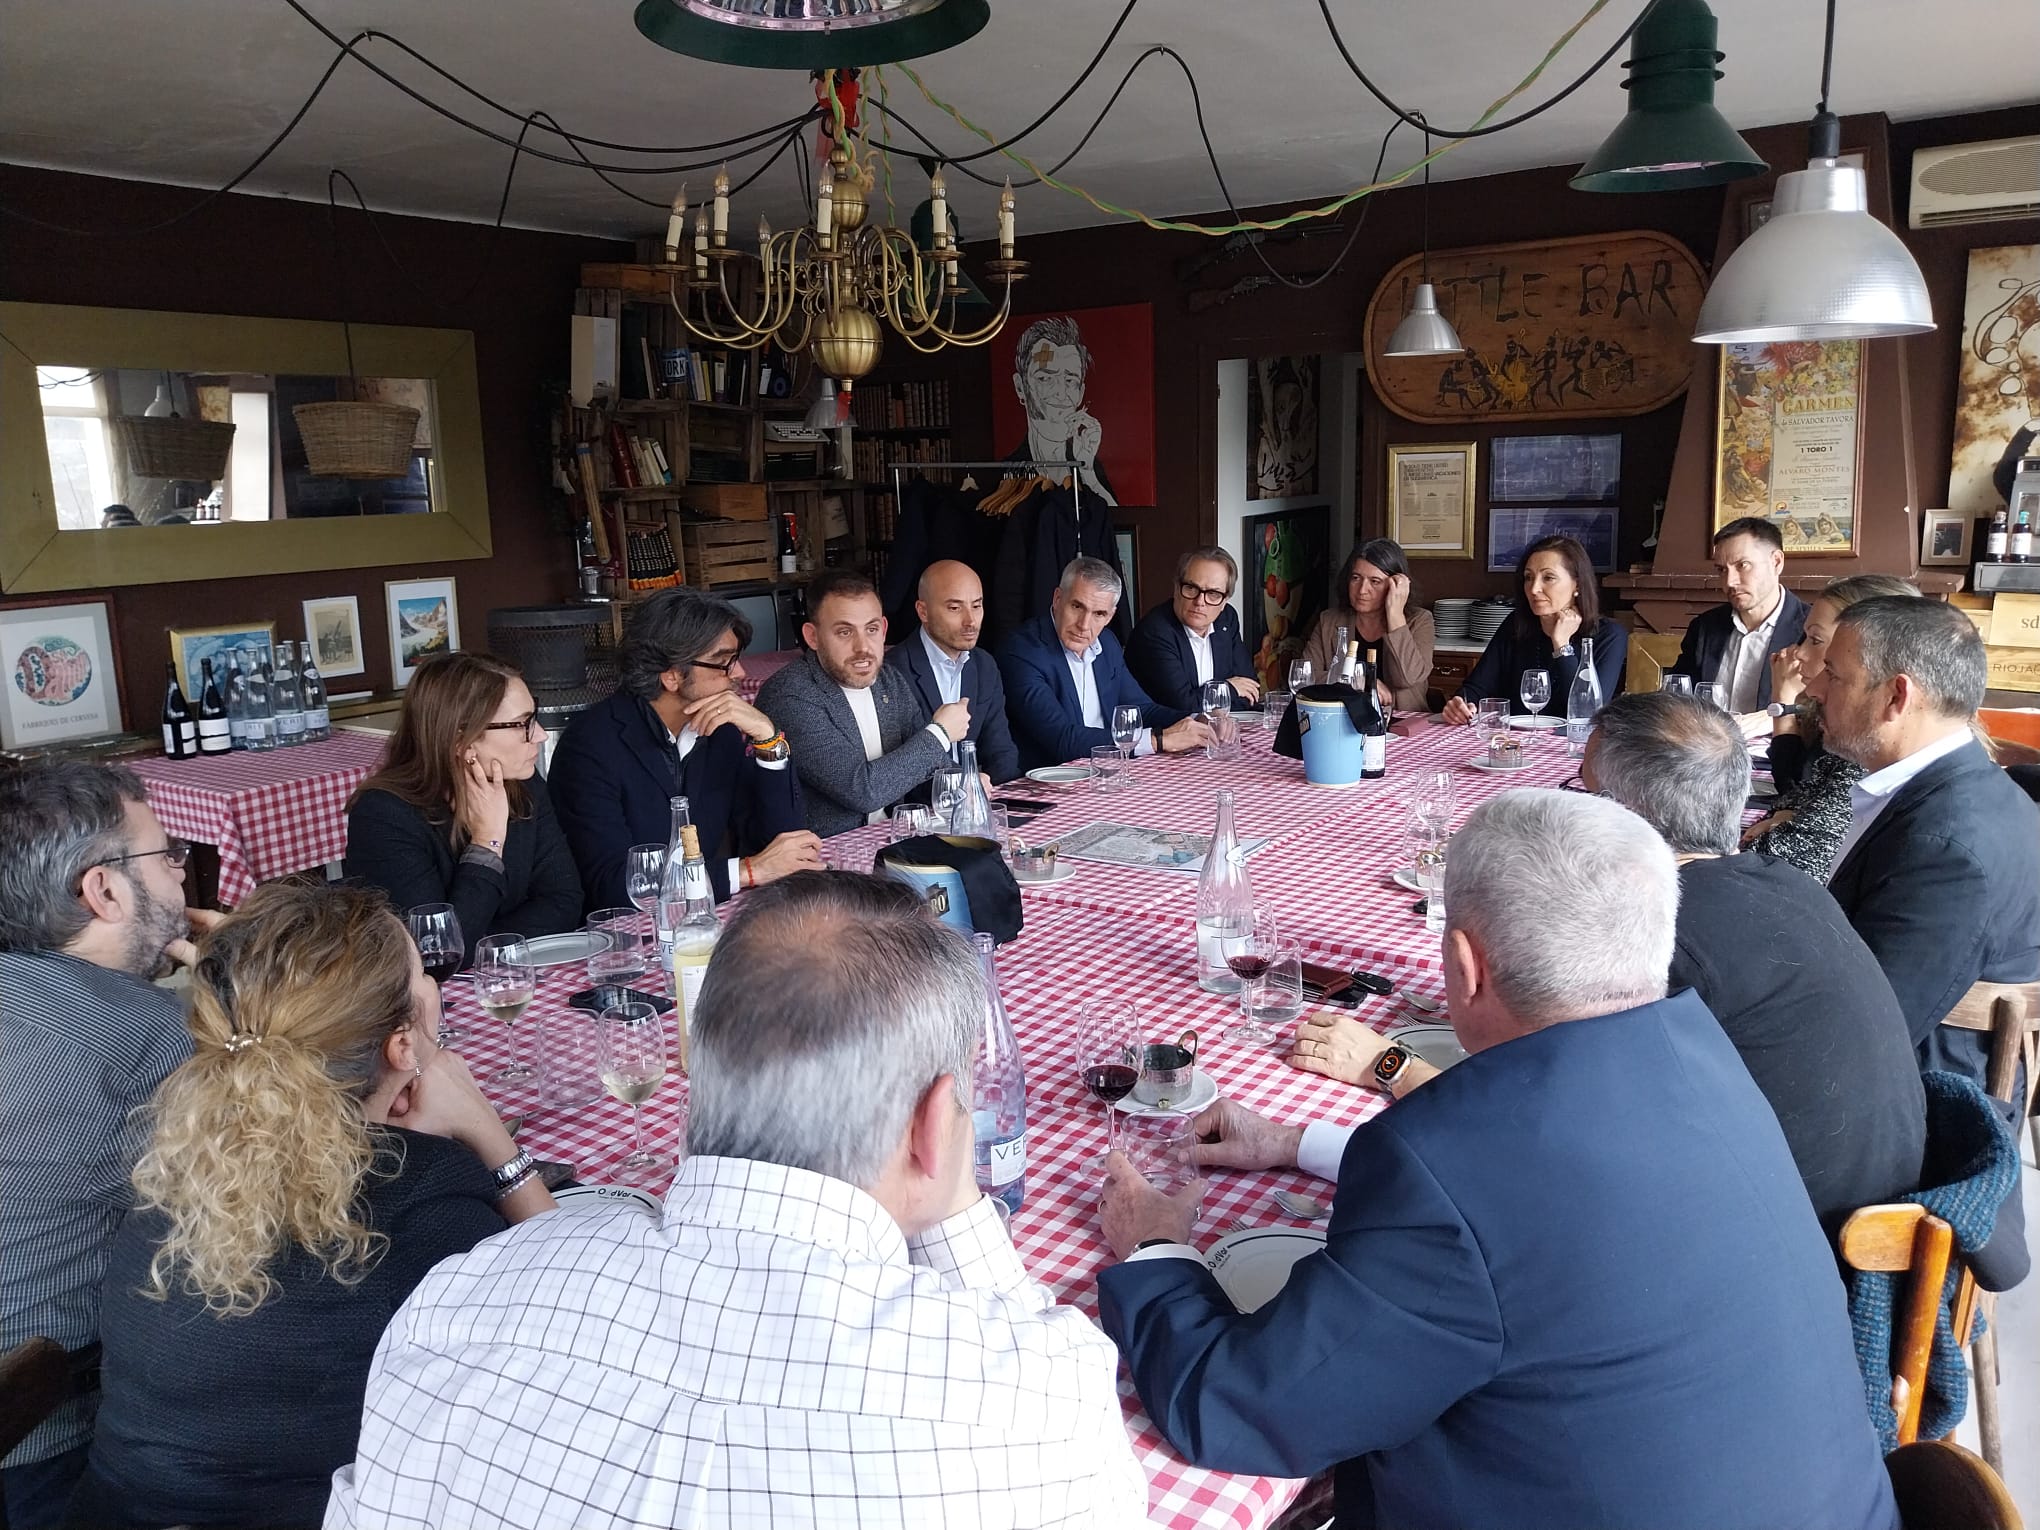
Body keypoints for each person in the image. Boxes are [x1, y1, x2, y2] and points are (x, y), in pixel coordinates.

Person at [1096, 790, 1898, 1530]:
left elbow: (1238, 1406)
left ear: (1465, 966)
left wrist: (1156, 1244)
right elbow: (1537, 1213)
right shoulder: (1702, 1056)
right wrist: (1293, 1142)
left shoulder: (1445, 1168)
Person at [329, 873, 1148, 1527]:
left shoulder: (453, 1303)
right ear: (938, 1127)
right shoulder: (1034, 1399)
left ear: (694, 1069)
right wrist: (956, 1197)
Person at [66, 882, 550, 1530]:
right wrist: (490, 1135)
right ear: (403, 1044)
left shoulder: (171, 1172)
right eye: (421, 974)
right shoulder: (426, 1198)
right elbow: (574, 1328)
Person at [1581, 692, 1924, 1241]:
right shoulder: (1788, 883)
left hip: (1798, 1257)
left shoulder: (1661, 939)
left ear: (1624, 815)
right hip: (1881, 1214)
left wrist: (1395, 1064)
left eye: (1586, 794)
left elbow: (1574, 1121)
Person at [0, 764, 211, 1528]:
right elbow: (247, 1208)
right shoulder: (142, 1036)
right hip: (46, 1445)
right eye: (167, 856)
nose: (183, 873)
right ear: (105, 892)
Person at [1808, 596, 2040, 1089]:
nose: (1813, 687)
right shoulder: (1959, 785)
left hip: (1926, 1107)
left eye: (1833, 674)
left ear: (1897, 696)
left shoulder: (1946, 849)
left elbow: (1866, 1035)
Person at [549, 588, 820, 904]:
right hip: (626, 938)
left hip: (703, 920)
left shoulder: (721, 732)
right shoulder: (590, 748)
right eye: (723, 663)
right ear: (672, 676)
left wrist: (767, 738)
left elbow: (784, 847)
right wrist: (746, 871)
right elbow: (611, 885)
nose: (741, 673)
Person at [343, 653, 582, 943]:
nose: (541, 735)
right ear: (460, 739)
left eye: (534, 718)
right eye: (522, 724)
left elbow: (564, 901)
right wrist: (486, 844)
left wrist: (479, 943)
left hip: (516, 976)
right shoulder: (383, 816)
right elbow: (435, 948)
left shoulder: (524, 786)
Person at [756, 570, 970, 837]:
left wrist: (963, 783)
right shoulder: (791, 696)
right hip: (824, 863)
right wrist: (940, 733)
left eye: (871, 630)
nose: (863, 647)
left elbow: (928, 767)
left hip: (893, 842)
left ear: (883, 630)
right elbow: (863, 791)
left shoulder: (887, 680)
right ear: (812, 637)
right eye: (844, 632)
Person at [1746, 575, 1920, 881]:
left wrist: (1783, 703)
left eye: (1814, 640)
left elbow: (1776, 866)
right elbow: (1799, 791)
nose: (1798, 653)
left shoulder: (1872, 750)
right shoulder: (1847, 727)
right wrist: (1789, 813)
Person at [998, 556, 1212, 773]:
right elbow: (1062, 740)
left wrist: (1197, 721)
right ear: (1057, 598)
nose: (1084, 625)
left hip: (1106, 773)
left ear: (1110, 616)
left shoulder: (1107, 643)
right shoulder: (1022, 651)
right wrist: (1157, 740)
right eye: (1077, 606)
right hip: (1047, 785)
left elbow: (1142, 710)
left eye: (1099, 614)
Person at [1442, 535, 1625, 724]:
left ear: (1576, 584)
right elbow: (1474, 689)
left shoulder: (1610, 635)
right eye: (1528, 577)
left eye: (1548, 577)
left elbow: (1588, 713)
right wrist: (1461, 705)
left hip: (1571, 747)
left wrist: (1561, 644)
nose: (1534, 588)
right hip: (1512, 741)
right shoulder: (1516, 625)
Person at [882, 559, 1020, 785]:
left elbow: (1002, 751)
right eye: (955, 608)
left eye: (976, 606)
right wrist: (967, 783)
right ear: (923, 611)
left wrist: (995, 788)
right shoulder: (893, 672)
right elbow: (903, 769)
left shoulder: (984, 665)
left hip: (977, 801)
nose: (971, 621)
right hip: (921, 809)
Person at [1666, 516, 1808, 734]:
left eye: (1743, 565)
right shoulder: (1704, 627)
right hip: (1706, 754)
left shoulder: (1810, 630)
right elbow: (1677, 698)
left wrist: (1771, 717)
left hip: (1777, 756)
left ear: (1776, 562)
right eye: (1721, 570)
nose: (1729, 582)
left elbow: (1822, 708)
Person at [1301, 538, 1435, 712]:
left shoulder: (1420, 621)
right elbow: (1305, 677)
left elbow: (1407, 678)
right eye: (1356, 578)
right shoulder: (1329, 620)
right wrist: (1359, 680)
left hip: (1402, 724)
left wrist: (1395, 614)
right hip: (1342, 719)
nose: (1362, 590)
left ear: (1395, 586)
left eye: (1375, 581)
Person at [1125, 545, 1263, 713]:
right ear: (1176, 588)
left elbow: (1250, 691)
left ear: (1225, 600)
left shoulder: (1226, 618)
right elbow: (1183, 707)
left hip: (1218, 731)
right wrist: (1229, 689)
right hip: (1166, 735)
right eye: (1191, 588)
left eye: (1213, 593)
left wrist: (1213, 700)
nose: (1200, 602)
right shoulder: (1154, 632)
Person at [1006, 314, 1115, 507]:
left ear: (1081, 392)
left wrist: (1087, 470)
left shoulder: (1091, 468)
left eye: (1070, 380)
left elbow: (1107, 521)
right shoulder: (1005, 473)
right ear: (1020, 387)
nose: (1061, 393)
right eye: (1045, 378)